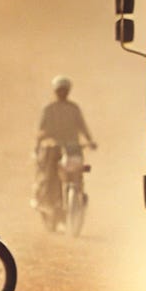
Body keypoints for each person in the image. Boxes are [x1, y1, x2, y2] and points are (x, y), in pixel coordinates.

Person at [35, 76, 96, 220]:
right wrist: (41, 143)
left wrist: (90, 141)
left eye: (65, 90)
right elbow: (41, 131)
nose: (62, 93)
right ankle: (50, 203)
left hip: (73, 148)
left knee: (78, 173)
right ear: (55, 91)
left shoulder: (73, 109)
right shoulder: (49, 109)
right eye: (59, 90)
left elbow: (82, 126)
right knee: (51, 175)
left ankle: (79, 198)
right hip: (54, 149)